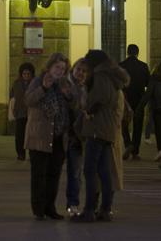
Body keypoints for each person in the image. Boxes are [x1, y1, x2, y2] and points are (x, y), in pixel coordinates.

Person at [72, 49, 129, 223]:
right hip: (107, 130)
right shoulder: (111, 77)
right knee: (104, 171)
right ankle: (105, 209)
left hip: (97, 129)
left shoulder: (101, 77)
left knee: (90, 170)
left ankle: (89, 210)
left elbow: (97, 99)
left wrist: (86, 106)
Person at [24, 52, 70, 221]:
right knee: (39, 175)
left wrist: (68, 96)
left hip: (58, 137)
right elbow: (28, 100)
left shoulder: (64, 85)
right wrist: (43, 87)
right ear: (49, 67)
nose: (59, 71)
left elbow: (71, 107)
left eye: (63, 69)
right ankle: (38, 209)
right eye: (57, 67)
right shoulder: (38, 80)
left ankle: (50, 207)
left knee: (54, 175)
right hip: (40, 136)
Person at [65, 58, 88, 216]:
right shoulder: (66, 86)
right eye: (79, 69)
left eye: (84, 71)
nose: (80, 73)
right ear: (73, 69)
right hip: (68, 134)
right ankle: (71, 204)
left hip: (80, 136)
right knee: (73, 172)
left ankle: (74, 204)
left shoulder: (87, 88)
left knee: (76, 172)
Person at [119, 43, 150, 160]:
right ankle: (135, 151)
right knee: (138, 125)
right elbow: (148, 83)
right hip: (139, 100)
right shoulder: (143, 66)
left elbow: (118, 83)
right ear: (138, 53)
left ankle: (128, 144)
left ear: (127, 52)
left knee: (124, 124)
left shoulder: (121, 65)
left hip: (125, 99)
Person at [9, 62, 35, 161]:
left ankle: (33, 153)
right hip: (20, 113)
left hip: (32, 113)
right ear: (21, 74)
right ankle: (20, 153)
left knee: (32, 135)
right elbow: (12, 96)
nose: (26, 76)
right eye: (24, 74)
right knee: (19, 135)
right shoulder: (16, 83)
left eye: (28, 74)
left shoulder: (35, 83)